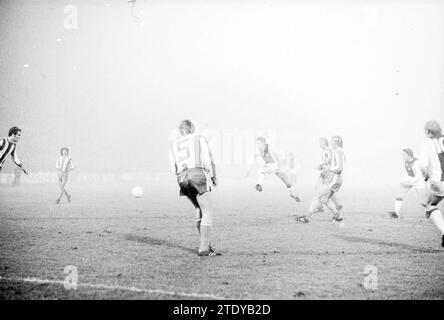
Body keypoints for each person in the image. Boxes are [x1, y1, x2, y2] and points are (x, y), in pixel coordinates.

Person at [169, 120, 221, 256]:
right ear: (191, 128)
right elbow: (208, 159)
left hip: (181, 178)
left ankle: (206, 245)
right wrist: (213, 176)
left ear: (181, 131)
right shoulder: (198, 137)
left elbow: (172, 167)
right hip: (197, 174)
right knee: (207, 211)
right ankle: (204, 249)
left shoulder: (173, 144)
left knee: (199, 209)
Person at [295, 136, 345, 223]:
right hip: (333, 178)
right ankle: (338, 215)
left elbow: (339, 168)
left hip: (334, 179)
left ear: (336, 142)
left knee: (318, 194)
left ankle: (307, 217)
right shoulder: (338, 152)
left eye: (332, 142)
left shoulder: (338, 152)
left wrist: (327, 168)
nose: (331, 143)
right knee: (324, 199)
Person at [246, 137, 300, 201]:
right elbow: (252, 158)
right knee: (261, 170)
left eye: (259, 143)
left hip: (276, 165)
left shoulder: (269, 147)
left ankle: (293, 194)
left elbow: (279, 152)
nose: (258, 145)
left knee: (287, 183)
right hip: (270, 166)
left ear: (264, 143)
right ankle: (259, 185)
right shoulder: (258, 150)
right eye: (257, 143)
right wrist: (248, 169)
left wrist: (283, 160)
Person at [418, 120, 444, 247]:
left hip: (439, 180)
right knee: (428, 203)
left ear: (428, 131)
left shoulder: (427, 142)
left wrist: (426, 177)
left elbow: (423, 165)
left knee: (428, 204)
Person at [387, 149, 426, 219]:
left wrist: (407, 181)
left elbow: (418, 177)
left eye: (404, 155)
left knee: (423, 202)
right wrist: (404, 181)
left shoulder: (417, 163)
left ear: (409, 156)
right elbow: (408, 174)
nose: (402, 156)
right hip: (411, 180)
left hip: (419, 182)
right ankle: (396, 213)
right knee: (400, 193)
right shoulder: (406, 162)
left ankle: (432, 212)